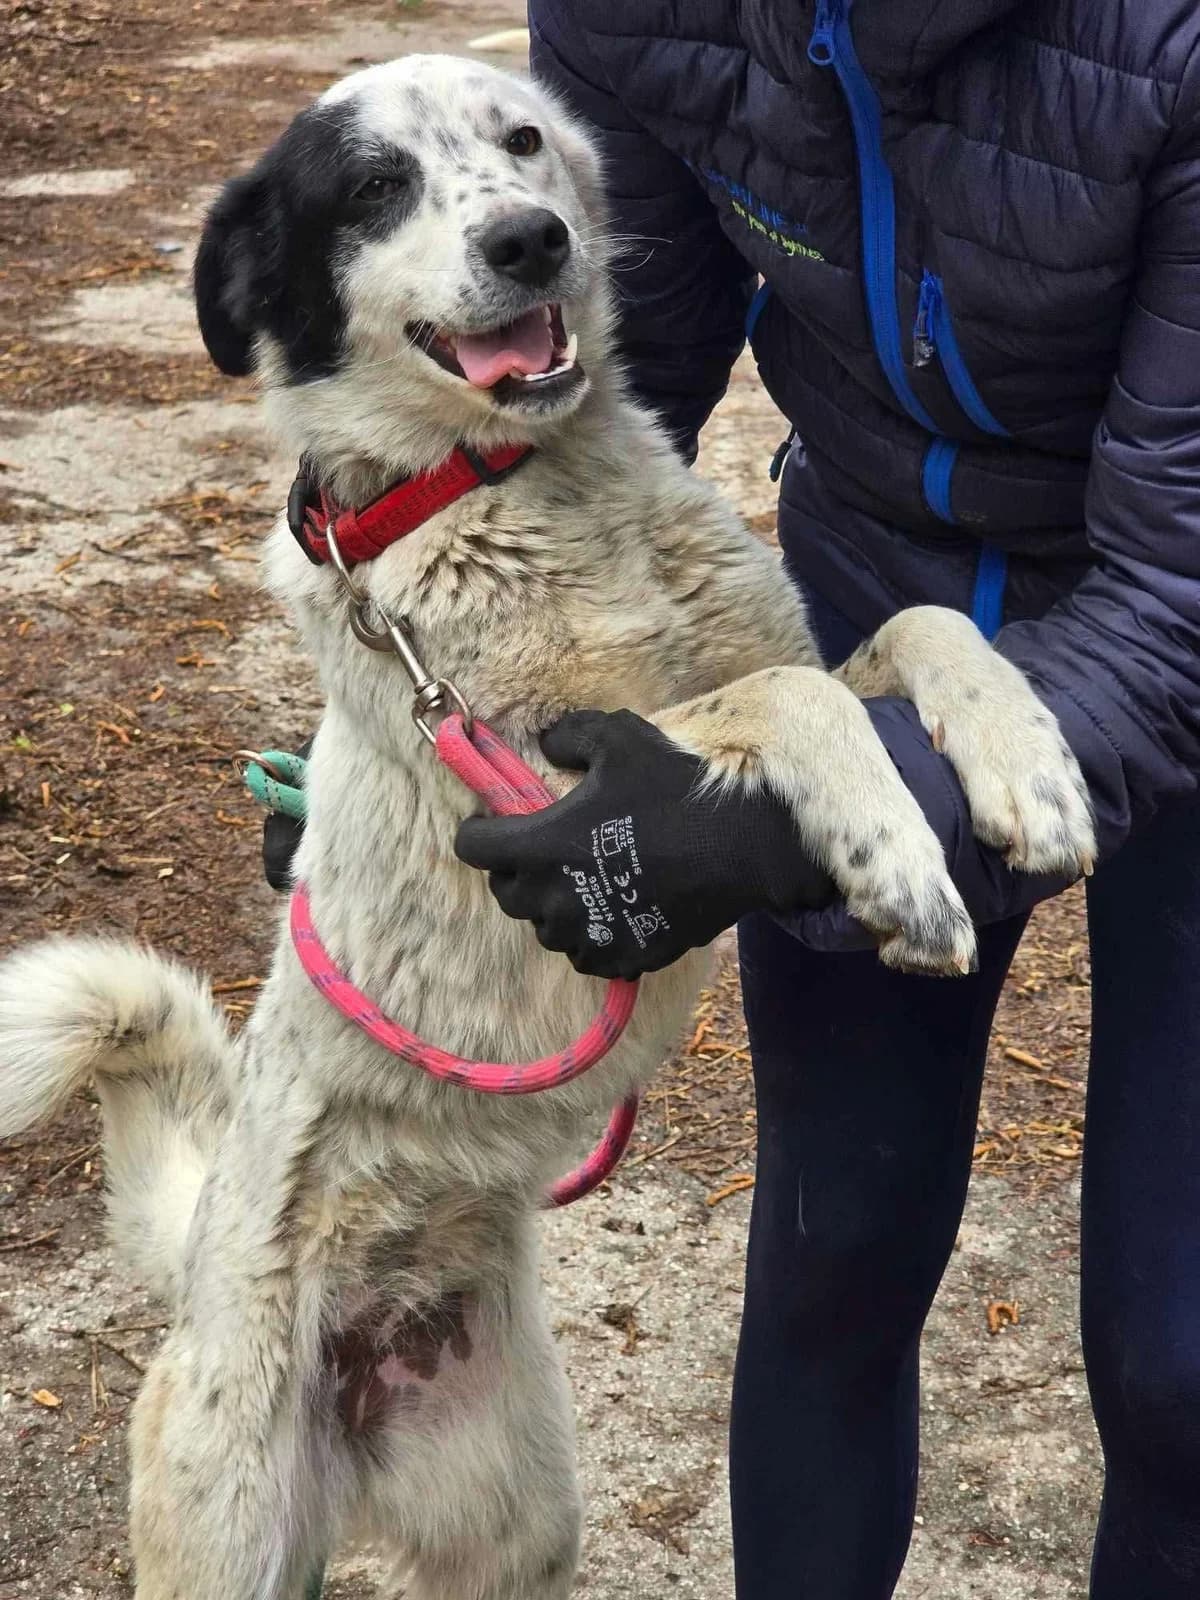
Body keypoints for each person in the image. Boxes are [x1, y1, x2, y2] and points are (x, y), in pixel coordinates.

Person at [267, 5, 1200, 1594]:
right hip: (869, 570)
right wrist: (412, 763)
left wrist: (775, 815)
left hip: (1177, 613)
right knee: (837, 1264)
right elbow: (614, 390)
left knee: (1182, 1359)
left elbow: (1178, 583)